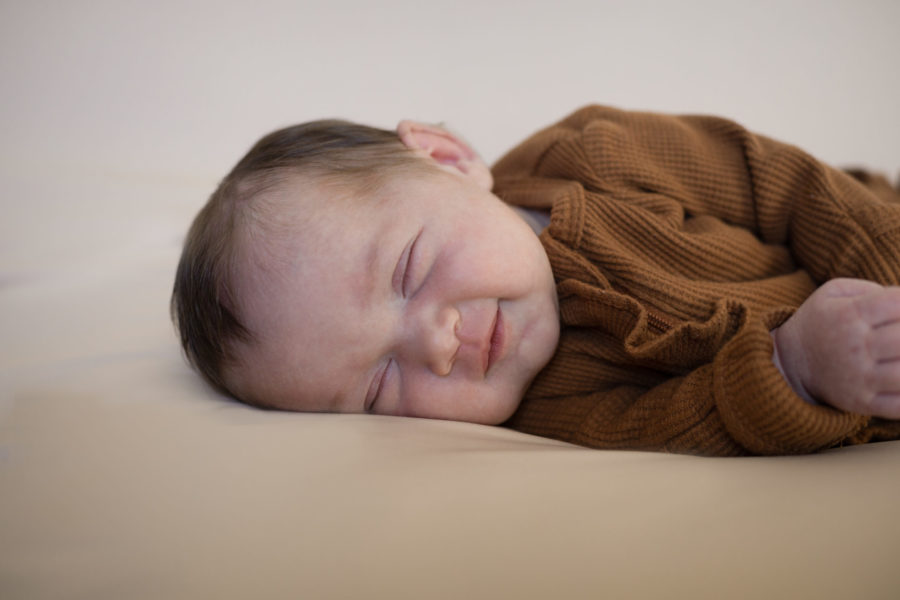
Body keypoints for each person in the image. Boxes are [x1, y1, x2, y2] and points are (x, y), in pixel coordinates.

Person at [172, 104, 900, 456]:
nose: (439, 344)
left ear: (450, 161)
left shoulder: (597, 152)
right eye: (379, 385)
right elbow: (686, 425)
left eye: (410, 269)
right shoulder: (543, 413)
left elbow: (784, 184)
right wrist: (795, 370)